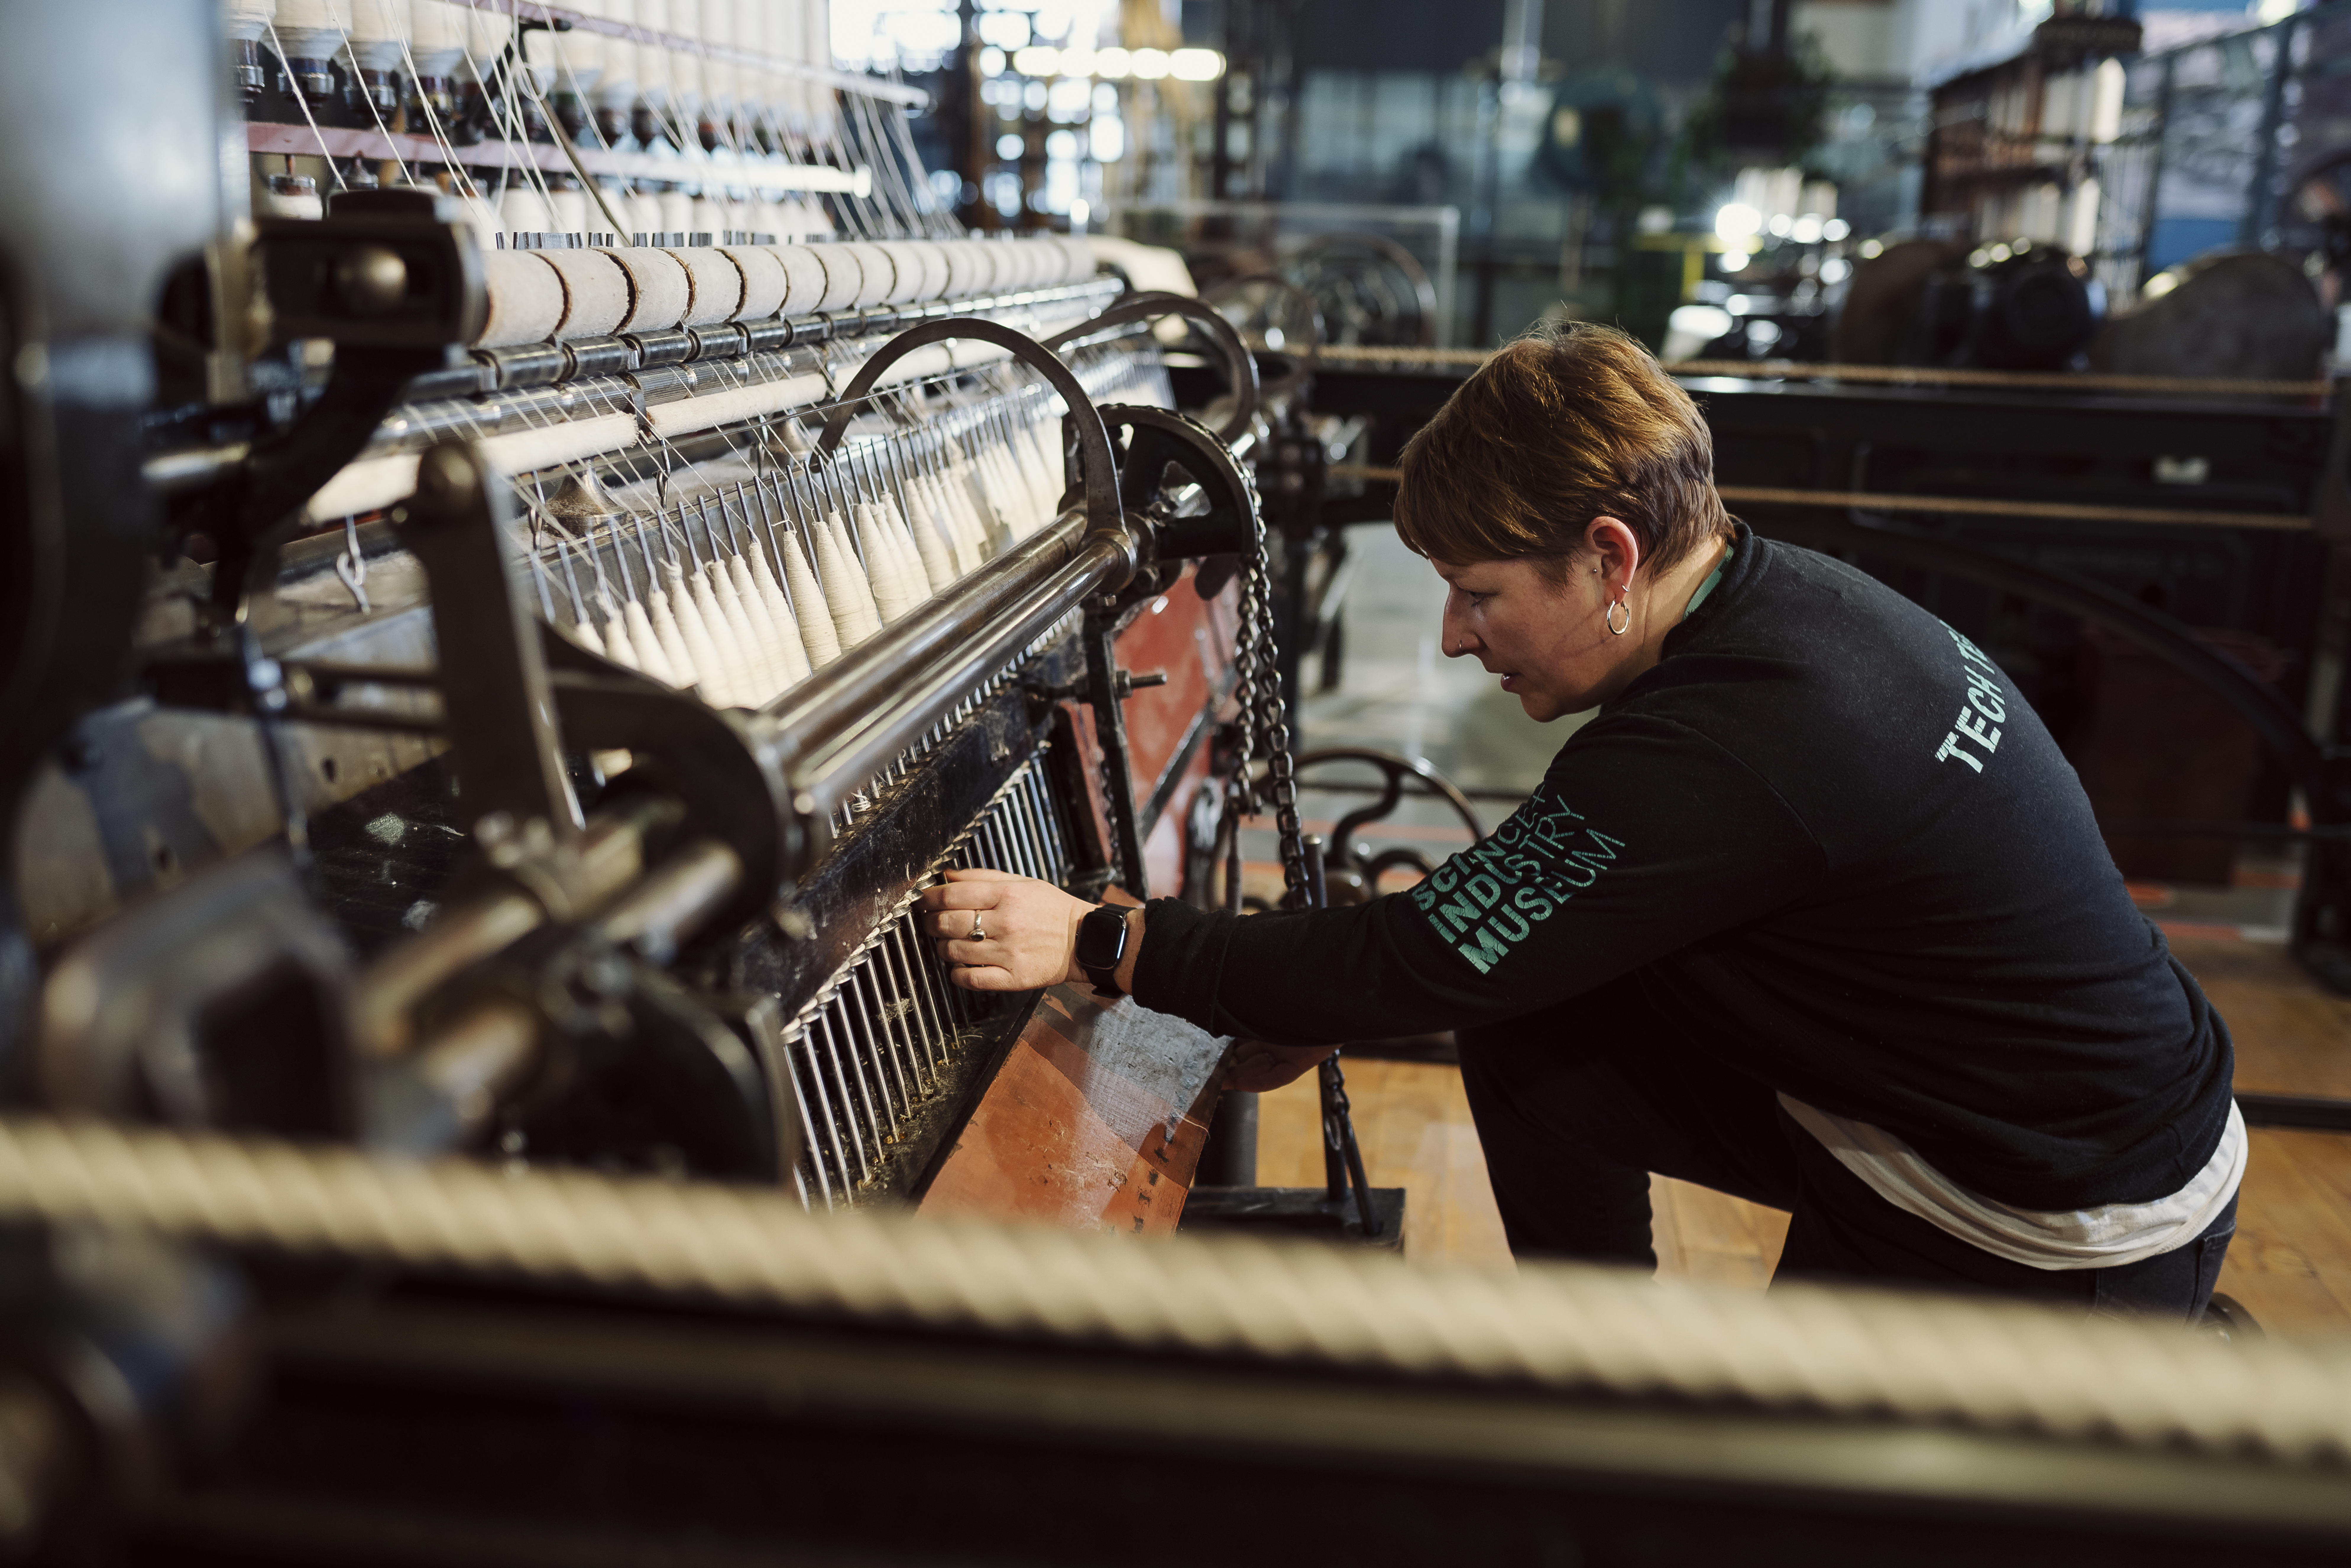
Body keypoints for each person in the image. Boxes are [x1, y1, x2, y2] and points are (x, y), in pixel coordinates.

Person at [919, 321, 2240, 1319]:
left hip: (2052, 1208)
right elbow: (1503, 940)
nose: (1450, 637)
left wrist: (1107, 942)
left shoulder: (1734, 742)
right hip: (2011, 1112)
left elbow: (1424, 954)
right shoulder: (1773, 609)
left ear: (1608, 560)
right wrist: (1310, 1001)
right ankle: (1602, 1362)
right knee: (1526, 1007)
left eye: (1478, 593)